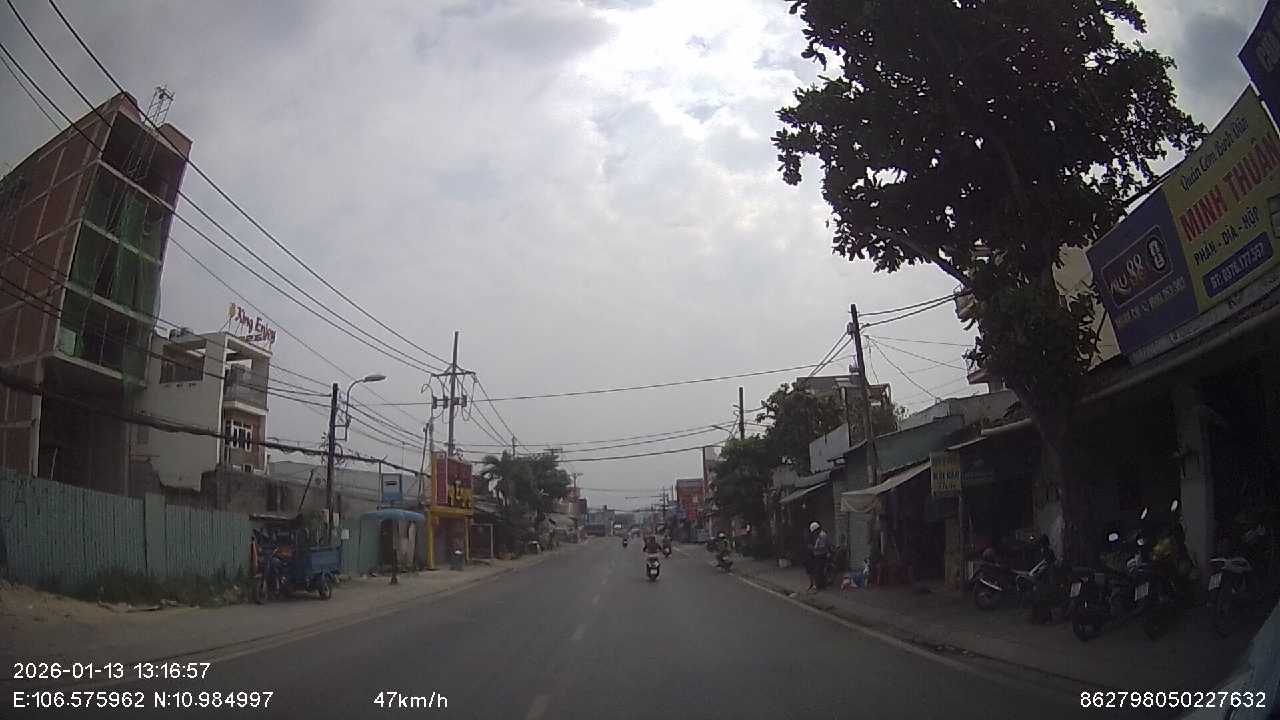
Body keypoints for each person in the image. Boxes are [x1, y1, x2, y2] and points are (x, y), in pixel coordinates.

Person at [808, 521, 831, 592]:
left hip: (821, 555)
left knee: (819, 571)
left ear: (817, 529)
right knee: (818, 571)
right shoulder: (819, 535)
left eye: (814, 531)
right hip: (818, 555)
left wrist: (813, 548)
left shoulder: (822, 535)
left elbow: (822, 547)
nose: (814, 533)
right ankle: (820, 585)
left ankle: (821, 586)